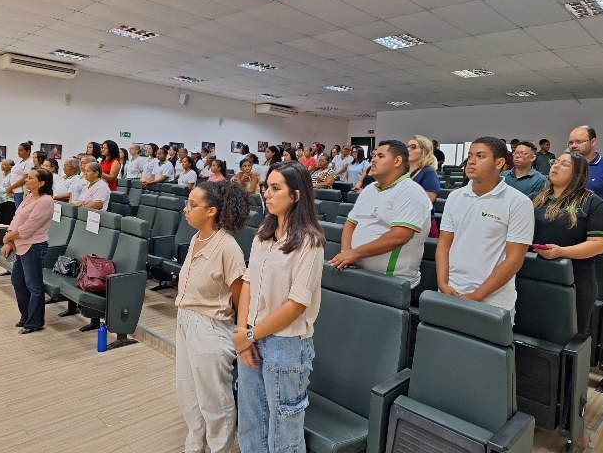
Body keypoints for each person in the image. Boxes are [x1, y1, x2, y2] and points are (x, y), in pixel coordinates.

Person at [233, 161, 324, 453]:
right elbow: (247, 283)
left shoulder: (310, 242)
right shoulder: (263, 233)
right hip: (253, 335)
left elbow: (296, 305)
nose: (267, 194)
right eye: (266, 188)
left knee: (283, 429)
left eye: (275, 188)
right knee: (252, 418)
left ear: (296, 196)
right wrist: (243, 330)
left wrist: (249, 335)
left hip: (286, 344)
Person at [175, 180, 251, 453]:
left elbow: (241, 296)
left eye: (193, 205)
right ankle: (195, 444)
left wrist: (243, 334)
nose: (186, 209)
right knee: (189, 393)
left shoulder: (227, 247)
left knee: (214, 401)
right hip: (186, 320)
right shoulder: (197, 237)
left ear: (211, 211)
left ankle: (219, 448)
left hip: (210, 328)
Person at [436, 136, 534, 322]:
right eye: (470, 155)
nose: (471, 161)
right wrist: (442, 283)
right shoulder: (455, 196)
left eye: (480, 156)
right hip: (450, 291)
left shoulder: (518, 202)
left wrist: (477, 295)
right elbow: (444, 243)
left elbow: (514, 260)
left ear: (499, 163)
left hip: (492, 300)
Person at [329, 141, 431, 303]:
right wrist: (346, 252)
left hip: (391, 282)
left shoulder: (410, 191)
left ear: (397, 161)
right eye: (373, 156)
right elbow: (351, 223)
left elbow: (399, 236)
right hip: (358, 273)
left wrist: (355, 253)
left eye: (380, 156)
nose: (373, 160)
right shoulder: (370, 189)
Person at [531, 152, 603, 333]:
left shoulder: (593, 203)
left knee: (570, 336)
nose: (555, 166)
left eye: (564, 164)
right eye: (555, 162)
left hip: (575, 279)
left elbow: (599, 244)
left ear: (578, 173)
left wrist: (561, 252)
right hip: (534, 275)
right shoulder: (534, 199)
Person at [1, 168, 54, 334]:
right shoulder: (29, 196)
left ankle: (34, 322)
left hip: (34, 247)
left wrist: (8, 238)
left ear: (41, 183)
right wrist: (10, 239)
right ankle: (26, 316)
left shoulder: (46, 201)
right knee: (17, 281)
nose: (25, 180)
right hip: (21, 245)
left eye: (30, 178)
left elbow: (28, 228)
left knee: (34, 286)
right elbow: (17, 219)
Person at [408, 135, 442, 238]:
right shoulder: (402, 172)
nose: (408, 149)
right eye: (407, 146)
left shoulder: (428, 173)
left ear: (424, 151)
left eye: (413, 147)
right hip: (403, 220)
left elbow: (427, 201)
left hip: (421, 225)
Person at [6, 141, 34, 208]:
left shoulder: (30, 162)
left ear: (28, 152)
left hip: (20, 191)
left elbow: (24, 179)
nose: (18, 152)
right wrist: (10, 189)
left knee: (20, 212)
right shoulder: (20, 161)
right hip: (14, 190)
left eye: (21, 150)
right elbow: (12, 175)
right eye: (18, 150)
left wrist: (10, 188)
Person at [0, 159, 16, 225]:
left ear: (11, 167)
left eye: (4, 164)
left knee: (8, 223)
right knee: (4, 223)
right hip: (4, 201)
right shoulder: (6, 174)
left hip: (9, 201)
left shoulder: (12, 175)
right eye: (2, 164)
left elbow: (10, 188)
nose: (2, 166)